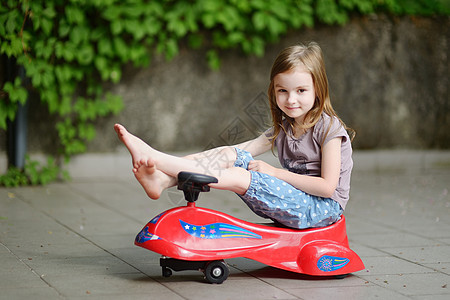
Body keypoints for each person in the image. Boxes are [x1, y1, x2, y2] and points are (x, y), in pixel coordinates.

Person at [114, 42, 355, 229]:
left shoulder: (329, 129)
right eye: (283, 91)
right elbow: (245, 148)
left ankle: (155, 158)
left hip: (321, 209)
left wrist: (274, 172)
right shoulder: (286, 125)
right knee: (231, 154)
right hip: (296, 198)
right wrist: (226, 155)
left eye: (301, 91)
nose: (291, 99)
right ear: (274, 90)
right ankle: (163, 180)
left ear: (318, 89)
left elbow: (327, 187)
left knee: (242, 175)